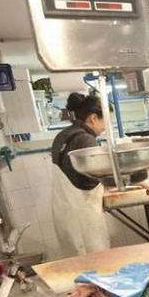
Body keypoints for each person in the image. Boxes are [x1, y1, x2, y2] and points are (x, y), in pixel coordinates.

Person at [50, 92, 110, 257]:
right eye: (105, 121)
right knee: (95, 259)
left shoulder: (63, 135)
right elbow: (97, 174)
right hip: (83, 211)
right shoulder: (85, 139)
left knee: (77, 259)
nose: (106, 127)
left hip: (66, 209)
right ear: (93, 118)